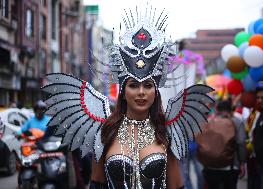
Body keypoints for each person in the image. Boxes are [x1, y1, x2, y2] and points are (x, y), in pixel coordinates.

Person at [41, 6, 213, 189]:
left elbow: (177, 185)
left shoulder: (166, 130)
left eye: (148, 85)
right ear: (123, 91)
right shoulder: (105, 130)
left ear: (156, 91)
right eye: (133, 85)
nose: (141, 92)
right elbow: (97, 183)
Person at [202, 100, 246, 189]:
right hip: (231, 166)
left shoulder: (209, 121)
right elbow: (241, 143)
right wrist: (242, 163)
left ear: (217, 109)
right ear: (231, 110)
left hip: (210, 166)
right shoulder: (237, 121)